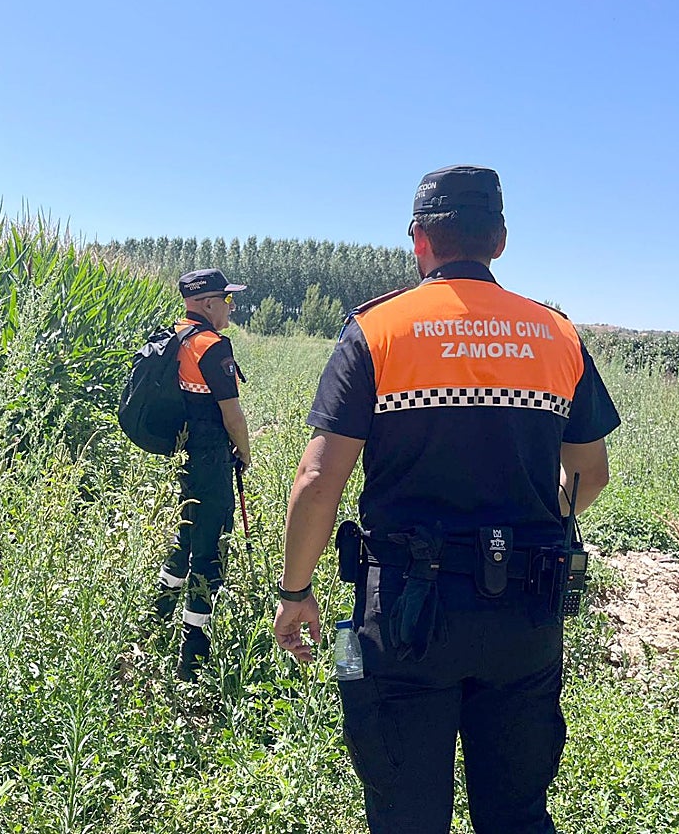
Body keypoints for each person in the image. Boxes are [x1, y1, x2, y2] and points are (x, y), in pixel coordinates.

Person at [273, 165, 620, 832]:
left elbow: (319, 481)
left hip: (401, 617)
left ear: (419, 241)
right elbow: (590, 475)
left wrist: (295, 592)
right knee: (518, 812)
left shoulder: (378, 330)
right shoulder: (557, 335)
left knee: (404, 811)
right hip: (527, 615)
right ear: (500, 241)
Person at [154, 268, 252, 681]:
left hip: (183, 456)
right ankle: (192, 652)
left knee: (187, 533)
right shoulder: (213, 347)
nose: (230, 307)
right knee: (211, 546)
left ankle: (157, 615)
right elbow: (232, 415)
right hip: (212, 459)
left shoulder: (172, 338)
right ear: (208, 303)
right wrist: (245, 455)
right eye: (226, 301)